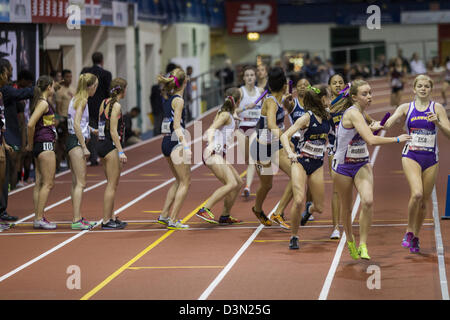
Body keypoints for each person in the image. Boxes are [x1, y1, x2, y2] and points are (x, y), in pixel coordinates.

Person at [331, 79, 411, 260]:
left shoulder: (362, 113)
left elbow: (370, 128)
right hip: (342, 166)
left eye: (370, 93)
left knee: (367, 201)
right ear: (354, 97)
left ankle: (363, 244)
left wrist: (374, 126)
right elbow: (371, 140)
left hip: (361, 163)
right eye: (365, 94)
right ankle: (350, 239)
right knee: (347, 208)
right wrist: (396, 139)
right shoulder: (353, 114)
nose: (370, 97)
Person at [381, 75, 450, 253]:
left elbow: (448, 133)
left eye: (427, 86)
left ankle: (416, 236)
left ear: (430, 89)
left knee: (424, 202)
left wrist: (438, 123)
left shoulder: (438, 108)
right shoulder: (406, 107)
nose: (423, 88)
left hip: (431, 158)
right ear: (414, 89)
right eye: (420, 86)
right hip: (411, 155)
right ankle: (408, 231)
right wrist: (382, 124)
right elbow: (390, 121)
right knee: (417, 193)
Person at [281, 84, 331, 249]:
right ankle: (294, 236)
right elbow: (285, 136)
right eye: (328, 96)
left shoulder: (328, 116)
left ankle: (308, 211)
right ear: (321, 99)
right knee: (299, 199)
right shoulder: (306, 118)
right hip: (300, 162)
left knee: (320, 208)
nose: (330, 99)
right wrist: (290, 152)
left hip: (317, 164)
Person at [250, 66, 294, 228]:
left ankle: (278, 212)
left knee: (296, 175)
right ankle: (257, 209)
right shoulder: (270, 102)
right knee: (267, 185)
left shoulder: (277, 98)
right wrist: (285, 138)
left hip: (275, 146)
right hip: (261, 149)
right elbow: (271, 124)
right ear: (284, 85)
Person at [196, 88, 244, 225]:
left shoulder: (227, 112)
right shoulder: (225, 115)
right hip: (213, 153)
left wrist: (241, 112)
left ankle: (225, 215)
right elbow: (211, 129)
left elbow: (233, 113)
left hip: (218, 154)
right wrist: (211, 143)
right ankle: (204, 209)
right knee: (232, 183)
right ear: (238, 101)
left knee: (238, 183)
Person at [157, 67, 192, 230]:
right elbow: (177, 126)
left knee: (178, 181)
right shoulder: (179, 100)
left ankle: (164, 215)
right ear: (184, 82)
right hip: (175, 141)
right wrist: (186, 145)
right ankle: (174, 219)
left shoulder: (167, 97)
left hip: (166, 142)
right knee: (185, 181)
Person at [0, 58, 33, 222]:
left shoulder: (4, 91)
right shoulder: (5, 90)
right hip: (5, 137)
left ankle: (2, 209)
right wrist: (40, 88)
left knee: (5, 174)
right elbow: (22, 93)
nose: (10, 74)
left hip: (5, 137)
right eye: (8, 71)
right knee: (4, 175)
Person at [25, 75, 58, 230]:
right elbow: (30, 124)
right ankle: (39, 218)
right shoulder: (43, 103)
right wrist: (30, 144)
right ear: (49, 87)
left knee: (39, 183)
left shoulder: (40, 101)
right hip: (44, 145)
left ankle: (38, 217)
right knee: (48, 183)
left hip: (41, 144)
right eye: (53, 86)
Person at [66, 73, 98, 230]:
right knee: (81, 182)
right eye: (96, 86)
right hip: (77, 143)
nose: (96, 90)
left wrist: (92, 130)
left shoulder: (74, 99)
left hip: (71, 140)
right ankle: (76, 219)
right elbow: (77, 125)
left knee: (75, 182)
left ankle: (77, 216)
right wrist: (84, 146)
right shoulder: (83, 101)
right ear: (90, 86)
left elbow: (79, 122)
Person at [97, 78, 128, 230]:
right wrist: (121, 150)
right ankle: (105, 220)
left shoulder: (104, 103)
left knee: (112, 183)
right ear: (123, 90)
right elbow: (114, 131)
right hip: (110, 146)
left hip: (101, 144)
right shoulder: (116, 106)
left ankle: (112, 216)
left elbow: (101, 124)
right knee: (111, 185)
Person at [234, 66, 263, 200]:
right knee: (247, 159)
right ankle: (258, 171)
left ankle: (247, 187)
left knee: (251, 160)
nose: (250, 77)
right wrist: (246, 107)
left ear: (255, 77)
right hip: (242, 128)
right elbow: (233, 111)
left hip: (254, 127)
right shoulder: (240, 92)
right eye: (247, 75)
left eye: (252, 75)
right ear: (244, 78)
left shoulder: (260, 91)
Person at [81, 52, 112, 166]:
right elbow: (108, 91)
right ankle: (100, 154)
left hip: (86, 104)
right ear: (102, 61)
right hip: (100, 106)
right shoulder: (106, 74)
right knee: (101, 130)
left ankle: (91, 155)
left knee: (88, 129)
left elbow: (81, 86)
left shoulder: (85, 72)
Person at [54, 69, 74, 171]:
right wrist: (59, 121)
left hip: (72, 119)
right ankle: (57, 167)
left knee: (71, 145)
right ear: (62, 78)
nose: (69, 79)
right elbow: (57, 108)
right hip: (63, 120)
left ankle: (71, 167)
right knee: (61, 145)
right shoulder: (60, 91)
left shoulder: (73, 89)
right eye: (67, 77)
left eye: (70, 76)